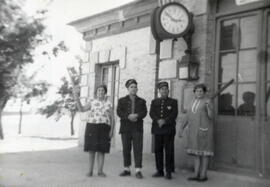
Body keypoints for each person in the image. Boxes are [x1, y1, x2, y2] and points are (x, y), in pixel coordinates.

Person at [73, 84, 114, 177]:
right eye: (99, 90)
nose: (100, 92)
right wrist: (77, 99)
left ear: (105, 93)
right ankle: (90, 171)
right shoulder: (91, 101)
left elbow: (112, 118)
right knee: (91, 150)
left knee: (101, 150)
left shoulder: (108, 103)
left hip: (104, 128)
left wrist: (111, 131)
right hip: (92, 127)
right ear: (96, 92)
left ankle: (100, 171)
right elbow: (82, 109)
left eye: (102, 90)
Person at [178, 84, 213, 182]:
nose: (199, 93)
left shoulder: (208, 101)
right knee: (196, 154)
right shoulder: (191, 102)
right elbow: (187, 116)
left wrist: (208, 107)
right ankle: (196, 174)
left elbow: (211, 117)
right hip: (193, 131)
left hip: (204, 131)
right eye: (197, 91)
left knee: (204, 154)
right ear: (194, 92)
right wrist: (181, 128)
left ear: (204, 92)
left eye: (201, 91)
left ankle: (203, 175)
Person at [117, 79, 147, 179]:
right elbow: (119, 112)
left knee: (138, 149)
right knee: (126, 148)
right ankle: (127, 169)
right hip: (125, 128)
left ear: (137, 88)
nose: (133, 89)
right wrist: (128, 116)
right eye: (131, 87)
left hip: (137, 128)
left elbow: (144, 112)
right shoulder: (121, 100)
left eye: (135, 87)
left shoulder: (142, 101)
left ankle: (138, 170)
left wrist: (137, 115)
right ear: (127, 88)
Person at [150, 81, 178, 179]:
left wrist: (164, 121)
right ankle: (160, 170)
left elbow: (174, 114)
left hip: (169, 130)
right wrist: (158, 120)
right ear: (159, 91)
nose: (164, 91)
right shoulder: (154, 102)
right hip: (157, 129)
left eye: (166, 89)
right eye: (162, 89)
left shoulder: (173, 102)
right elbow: (152, 113)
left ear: (168, 90)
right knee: (158, 150)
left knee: (169, 151)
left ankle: (169, 171)